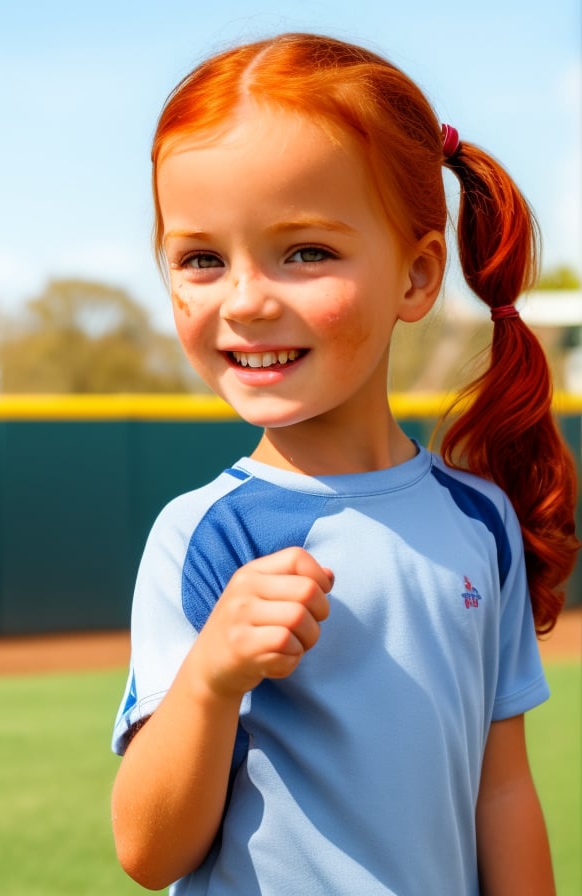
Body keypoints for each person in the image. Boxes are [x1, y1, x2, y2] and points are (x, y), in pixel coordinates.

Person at [111, 33, 579, 895]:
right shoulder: (203, 535)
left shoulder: (482, 523)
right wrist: (213, 676)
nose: (246, 300)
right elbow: (148, 854)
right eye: (202, 259)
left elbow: (502, 788)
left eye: (306, 251)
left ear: (417, 274)